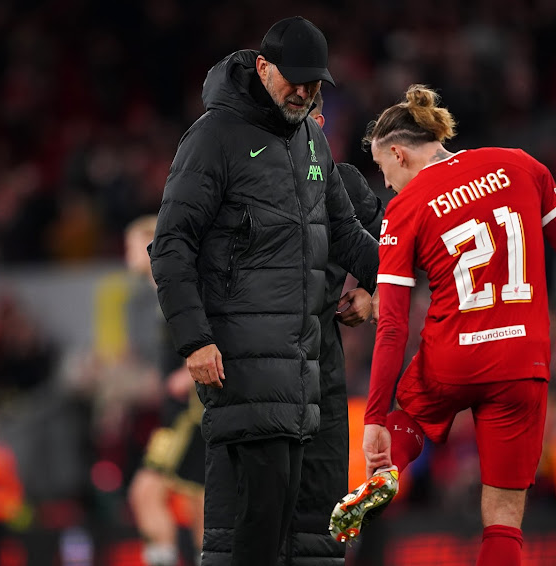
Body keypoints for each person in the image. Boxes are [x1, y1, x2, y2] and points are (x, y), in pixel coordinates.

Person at [329, 85, 556, 566]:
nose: (387, 185)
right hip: (524, 359)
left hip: (452, 357)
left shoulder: (405, 209)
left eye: (385, 171)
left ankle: (390, 464)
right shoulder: (522, 165)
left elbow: (392, 326)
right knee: (502, 519)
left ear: (398, 153)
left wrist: (374, 419)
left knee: (408, 416)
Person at [148, 16, 380, 566]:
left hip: (305, 369)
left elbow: (347, 237)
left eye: (314, 83)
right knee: (258, 522)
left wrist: (385, 279)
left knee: (301, 526)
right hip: (242, 364)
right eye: (293, 80)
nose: (303, 92)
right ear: (262, 67)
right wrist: (194, 340)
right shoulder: (213, 138)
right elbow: (170, 244)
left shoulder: (312, 141)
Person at [280, 92, 384, 565]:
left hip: (321, 366)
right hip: (258, 373)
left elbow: (389, 240)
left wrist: (369, 291)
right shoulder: (246, 177)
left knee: (320, 517)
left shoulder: (340, 183)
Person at [125, 216, 206, 566]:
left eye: (130, 246)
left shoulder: (178, 288)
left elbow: (219, 331)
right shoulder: (161, 294)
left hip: (189, 410)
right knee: (200, 503)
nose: (126, 254)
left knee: (145, 491)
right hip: (187, 410)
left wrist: (186, 377)